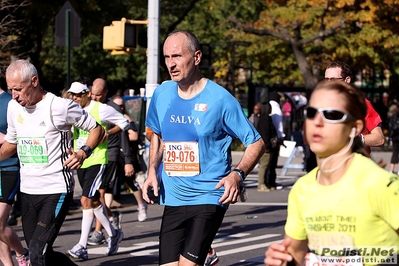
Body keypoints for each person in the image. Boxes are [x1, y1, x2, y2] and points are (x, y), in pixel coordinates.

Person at [143, 30, 265, 266]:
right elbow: (156, 134)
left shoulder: (220, 99)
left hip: (209, 195)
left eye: (177, 56)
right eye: (167, 57)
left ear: (196, 57)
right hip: (174, 197)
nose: (171, 64)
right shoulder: (162, 93)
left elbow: (256, 142)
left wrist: (237, 174)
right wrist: (151, 172)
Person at [264, 80, 399, 266]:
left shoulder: (380, 184)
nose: (317, 122)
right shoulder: (302, 189)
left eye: (331, 115)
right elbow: (296, 256)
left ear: (355, 128)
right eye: (311, 113)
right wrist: (283, 261)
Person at [1, 59, 105, 266]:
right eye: (10, 89)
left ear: (34, 81)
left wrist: (83, 153)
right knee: (38, 254)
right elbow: (12, 143)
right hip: (29, 189)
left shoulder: (59, 106)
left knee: (38, 251)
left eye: (18, 89)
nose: (14, 95)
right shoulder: (13, 107)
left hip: (56, 188)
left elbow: (98, 130)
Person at [66, 81, 128, 260]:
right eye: (73, 95)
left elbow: (123, 123)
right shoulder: (74, 109)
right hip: (81, 160)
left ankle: (81, 246)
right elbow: (74, 133)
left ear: (87, 93)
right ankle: (114, 234)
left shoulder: (101, 109)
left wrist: (108, 133)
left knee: (85, 200)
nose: (75, 98)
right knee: (93, 201)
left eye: (78, 95)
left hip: (98, 159)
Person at [86, 78, 132, 246]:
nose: (95, 97)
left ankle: (98, 231)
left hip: (110, 154)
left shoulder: (111, 108)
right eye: (93, 94)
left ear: (105, 93)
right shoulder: (90, 106)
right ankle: (112, 216)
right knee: (93, 196)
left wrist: (127, 160)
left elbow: (124, 132)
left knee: (99, 193)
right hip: (93, 154)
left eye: (98, 95)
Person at [324, 61, 384, 154]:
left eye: (333, 79)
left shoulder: (361, 104)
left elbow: (379, 139)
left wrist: (353, 140)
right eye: (326, 79)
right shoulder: (322, 104)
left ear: (347, 80)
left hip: (357, 163)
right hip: (330, 163)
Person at [0, 81, 30, 265]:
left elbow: (26, 130)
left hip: (9, 167)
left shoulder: (10, 101)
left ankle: (21, 253)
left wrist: (4, 138)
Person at [110, 95, 148, 222]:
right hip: (112, 155)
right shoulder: (108, 116)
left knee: (130, 181)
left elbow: (134, 136)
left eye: (121, 105)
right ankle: (108, 214)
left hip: (126, 154)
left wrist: (121, 132)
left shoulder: (126, 118)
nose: (119, 107)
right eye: (117, 105)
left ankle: (141, 205)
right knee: (109, 184)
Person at [256, 102, 278, 192]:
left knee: (267, 165)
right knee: (264, 166)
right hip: (266, 147)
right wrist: (266, 146)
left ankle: (266, 183)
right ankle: (261, 184)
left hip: (268, 146)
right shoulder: (264, 120)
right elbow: (265, 135)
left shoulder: (266, 119)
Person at [265, 91, 285, 190]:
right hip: (274, 138)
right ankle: (271, 181)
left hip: (266, 136)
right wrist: (281, 137)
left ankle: (266, 181)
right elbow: (279, 125)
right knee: (273, 162)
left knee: (266, 162)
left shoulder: (267, 106)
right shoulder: (276, 108)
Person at [389, 102, 399, 174]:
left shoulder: (394, 116)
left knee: (395, 152)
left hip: (395, 136)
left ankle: (391, 170)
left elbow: (390, 127)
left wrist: (390, 137)